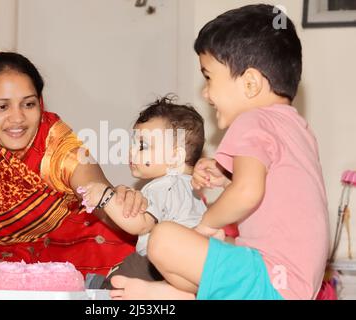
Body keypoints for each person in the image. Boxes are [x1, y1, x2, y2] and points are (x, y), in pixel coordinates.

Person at [110, 4, 329, 300]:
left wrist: (204, 225)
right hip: (294, 282)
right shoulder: (298, 128)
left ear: (250, 83)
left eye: (209, 77)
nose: (205, 93)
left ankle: (172, 296)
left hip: (271, 278)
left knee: (164, 237)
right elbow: (278, 192)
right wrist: (226, 181)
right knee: (220, 241)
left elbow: (249, 192)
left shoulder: (253, 120)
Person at [0, 52, 147, 299]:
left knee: (121, 239)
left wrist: (115, 200)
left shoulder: (52, 137)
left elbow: (90, 184)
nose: (18, 118)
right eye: (2, 107)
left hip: (55, 245)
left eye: (29, 104)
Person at [79, 96, 207, 288]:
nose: (131, 151)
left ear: (175, 156)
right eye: (133, 143)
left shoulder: (163, 185)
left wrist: (105, 197)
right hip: (193, 268)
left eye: (142, 146)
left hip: (159, 266)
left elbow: (140, 225)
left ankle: (101, 287)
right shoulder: (193, 187)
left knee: (128, 270)